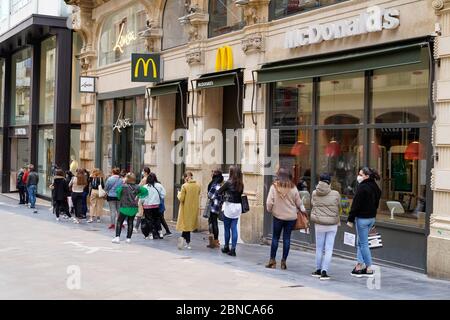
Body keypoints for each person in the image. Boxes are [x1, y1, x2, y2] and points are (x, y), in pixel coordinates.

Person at [265, 168, 305, 270]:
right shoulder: (293, 187)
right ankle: (283, 261)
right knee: (287, 239)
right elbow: (299, 202)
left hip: (278, 216)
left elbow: (269, 202)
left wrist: (270, 210)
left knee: (275, 238)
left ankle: (272, 261)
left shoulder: (274, 187)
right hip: (291, 217)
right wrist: (303, 210)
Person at [347, 167, 382, 278]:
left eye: (361, 174)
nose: (359, 176)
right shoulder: (375, 187)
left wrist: (350, 219)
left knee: (364, 244)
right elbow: (376, 204)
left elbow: (355, 205)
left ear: (366, 176)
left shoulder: (362, 188)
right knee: (361, 243)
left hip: (362, 219)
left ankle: (369, 268)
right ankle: (359, 266)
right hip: (371, 218)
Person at [310, 173, 341, 280]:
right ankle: (324, 271)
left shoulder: (314, 193)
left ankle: (318, 269)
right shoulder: (336, 193)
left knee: (319, 248)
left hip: (319, 223)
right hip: (332, 224)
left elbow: (313, 204)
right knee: (329, 248)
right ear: (329, 182)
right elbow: (339, 205)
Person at [112, 173, 148, 244]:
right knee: (130, 222)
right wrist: (138, 195)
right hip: (133, 207)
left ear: (127, 178)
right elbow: (145, 191)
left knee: (119, 221)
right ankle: (128, 239)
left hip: (124, 207)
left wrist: (121, 197)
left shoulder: (123, 186)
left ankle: (117, 237)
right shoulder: (137, 187)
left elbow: (118, 194)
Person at [217, 166, 244, 257]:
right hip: (237, 206)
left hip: (229, 206)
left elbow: (219, 192)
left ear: (231, 173)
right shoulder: (241, 183)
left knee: (226, 228)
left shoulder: (228, 182)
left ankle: (226, 247)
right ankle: (233, 249)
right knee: (234, 228)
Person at [176, 172, 201, 250]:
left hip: (185, 209)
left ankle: (183, 240)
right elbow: (198, 194)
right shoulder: (198, 185)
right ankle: (187, 243)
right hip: (193, 208)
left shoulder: (184, 186)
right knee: (188, 227)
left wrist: (178, 193)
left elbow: (181, 198)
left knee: (185, 226)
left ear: (186, 177)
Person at [141, 172, 166, 239]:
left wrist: (142, 203)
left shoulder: (145, 187)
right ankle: (160, 233)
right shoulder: (159, 185)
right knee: (157, 219)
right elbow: (163, 195)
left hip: (147, 206)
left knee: (149, 220)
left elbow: (142, 197)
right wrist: (158, 198)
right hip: (156, 205)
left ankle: (151, 234)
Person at [206, 169, 224, 249]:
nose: (211, 174)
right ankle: (215, 241)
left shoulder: (215, 185)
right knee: (214, 223)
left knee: (213, 223)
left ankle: (214, 242)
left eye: (212, 172)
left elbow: (210, 195)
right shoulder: (221, 185)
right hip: (218, 206)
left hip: (213, 206)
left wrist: (208, 194)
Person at [150, 172, 172, 237]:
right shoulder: (159, 184)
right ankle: (165, 231)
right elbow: (163, 194)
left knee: (158, 219)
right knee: (161, 218)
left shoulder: (154, 185)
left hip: (156, 205)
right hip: (160, 204)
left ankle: (161, 232)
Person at [135, 167, 151, 233]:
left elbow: (139, 188)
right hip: (149, 197)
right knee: (146, 213)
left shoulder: (144, 179)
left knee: (140, 212)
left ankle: (136, 227)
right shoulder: (150, 178)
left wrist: (137, 196)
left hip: (142, 197)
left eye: (143, 171)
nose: (142, 172)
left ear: (146, 172)